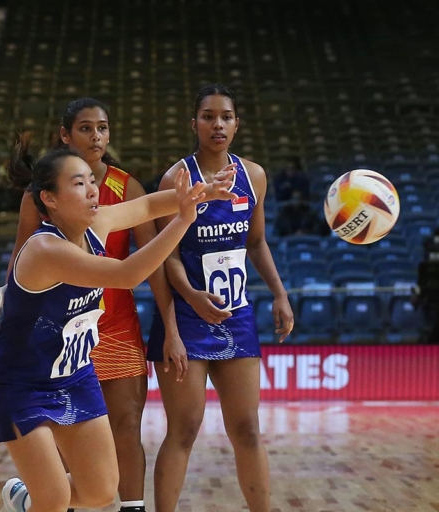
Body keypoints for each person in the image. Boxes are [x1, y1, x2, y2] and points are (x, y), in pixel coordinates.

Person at [0, 140, 237, 512]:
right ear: (50, 200)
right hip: (21, 383)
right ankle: (36, 497)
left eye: (92, 180)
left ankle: (24, 498)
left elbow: (148, 205)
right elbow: (127, 273)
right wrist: (184, 219)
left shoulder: (96, 223)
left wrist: (202, 194)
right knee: (54, 499)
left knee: (102, 492)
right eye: (78, 183)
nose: (92, 190)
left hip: (73, 375)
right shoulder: (45, 250)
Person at [6, 98, 186, 512]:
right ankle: (48, 499)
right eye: (86, 129)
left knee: (125, 427)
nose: (97, 136)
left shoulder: (125, 188)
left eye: (103, 128)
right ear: (65, 136)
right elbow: (19, 268)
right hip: (58, 332)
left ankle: (132, 506)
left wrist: (170, 327)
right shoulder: (41, 199)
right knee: (68, 435)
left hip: (116, 324)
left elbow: (154, 266)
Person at [147, 84, 294, 512]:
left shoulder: (255, 175)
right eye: (208, 116)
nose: (218, 124)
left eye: (226, 116)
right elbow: (165, 255)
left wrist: (280, 294)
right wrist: (191, 296)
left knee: (247, 428)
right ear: (194, 124)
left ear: (236, 124)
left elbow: (257, 242)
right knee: (184, 428)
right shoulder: (177, 179)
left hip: (237, 316)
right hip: (187, 317)